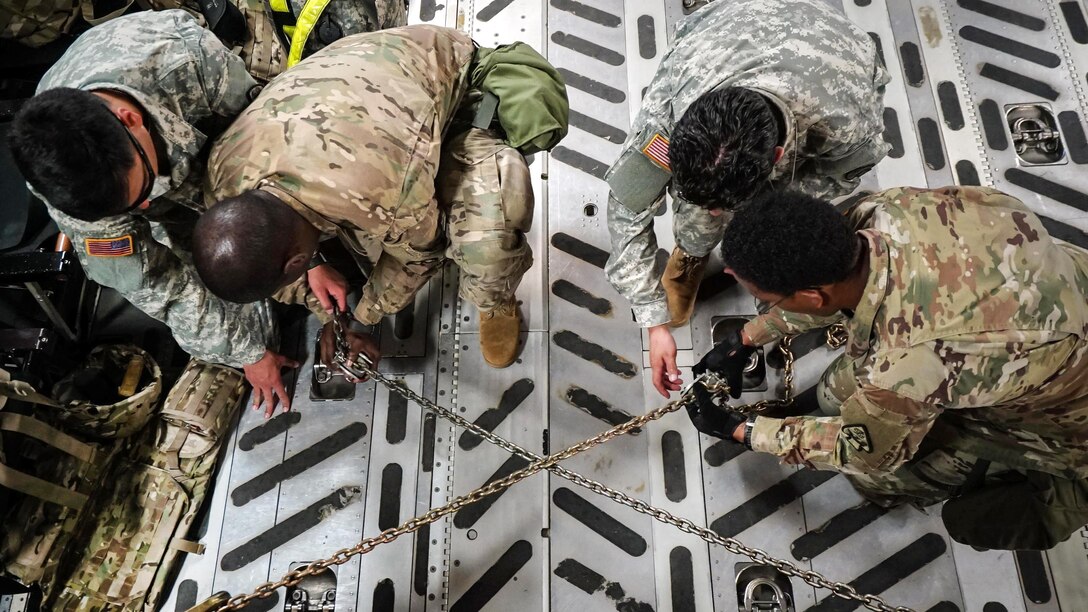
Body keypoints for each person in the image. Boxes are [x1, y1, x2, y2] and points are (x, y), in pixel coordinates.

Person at [687, 186, 1088, 550]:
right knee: (841, 389)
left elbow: (867, 453)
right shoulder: (887, 209)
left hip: (1070, 421)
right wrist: (747, 338)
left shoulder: (909, 363)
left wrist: (742, 430)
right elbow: (839, 287)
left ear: (811, 296)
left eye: (764, 296)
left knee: (885, 482)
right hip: (1058, 299)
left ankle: (1055, 490)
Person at [6, 10, 346, 415]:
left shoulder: (185, 62)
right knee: (238, 315)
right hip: (163, 180)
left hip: (219, 141)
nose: (145, 206)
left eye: (142, 190)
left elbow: (272, 151)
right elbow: (159, 286)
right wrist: (250, 353)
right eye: (132, 209)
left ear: (130, 121)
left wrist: (309, 254)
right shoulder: (70, 187)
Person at [194, 25, 537, 369]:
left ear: (295, 261)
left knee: (485, 244)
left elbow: (422, 254)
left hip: (452, 87)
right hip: (367, 94)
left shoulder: (380, 194)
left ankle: (494, 299)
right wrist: (327, 307)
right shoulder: (223, 178)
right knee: (375, 238)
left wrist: (363, 315)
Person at [605, 0, 890, 399]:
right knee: (698, 218)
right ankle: (691, 255)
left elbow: (837, 180)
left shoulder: (845, 123)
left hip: (830, 55)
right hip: (729, 26)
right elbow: (626, 208)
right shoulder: (680, 99)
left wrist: (766, 218)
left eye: (721, 205)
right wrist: (654, 322)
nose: (717, 213)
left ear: (776, 158)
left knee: (777, 224)